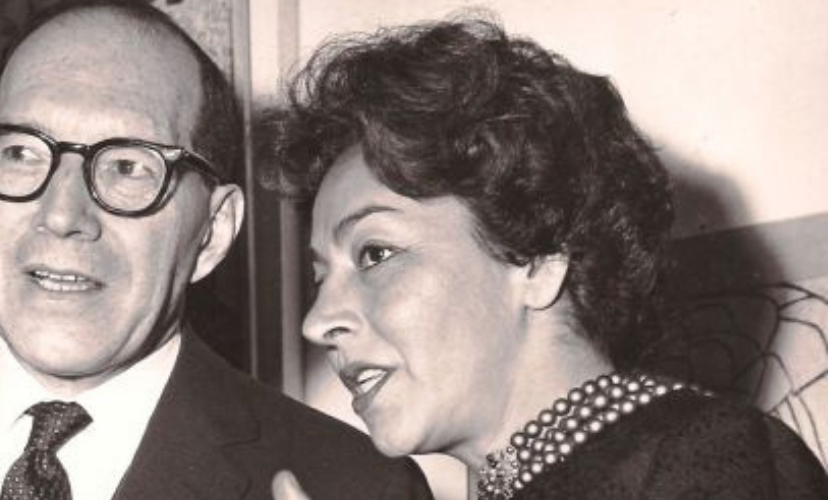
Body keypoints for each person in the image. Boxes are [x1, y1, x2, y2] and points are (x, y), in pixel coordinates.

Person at [0, 2, 434, 500]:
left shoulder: (354, 487)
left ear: (212, 232)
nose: (63, 214)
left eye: (128, 166)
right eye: (21, 153)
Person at [269, 16, 828, 500]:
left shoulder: (711, 457)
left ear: (538, 260)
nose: (317, 322)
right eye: (320, 278)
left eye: (375, 253)